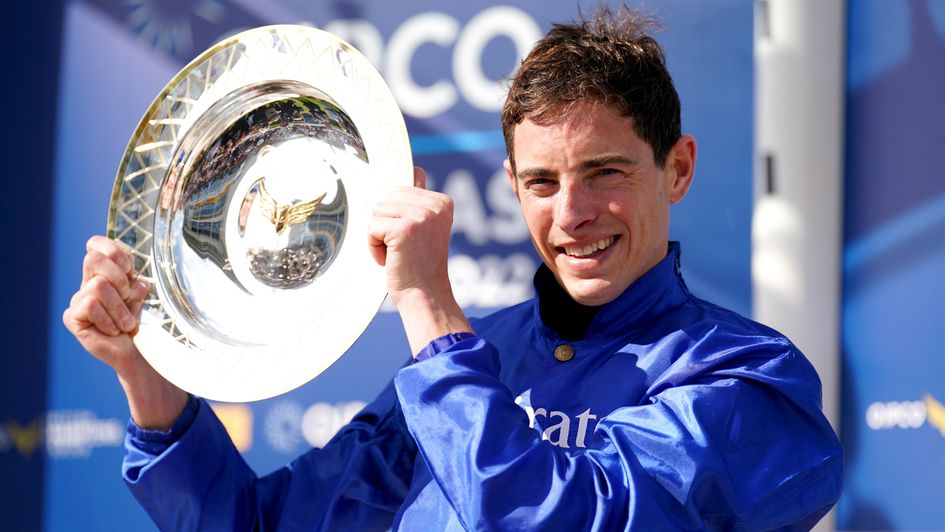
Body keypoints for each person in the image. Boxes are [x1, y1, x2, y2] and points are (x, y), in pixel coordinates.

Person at [63, 7, 843, 531]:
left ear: (677, 169)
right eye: (541, 182)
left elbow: (557, 520)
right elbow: (259, 525)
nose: (571, 213)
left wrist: (428, 310)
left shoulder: (751, 379)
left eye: (604, 172)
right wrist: (146, 372)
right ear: (512, 186)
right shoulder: (475, 358)